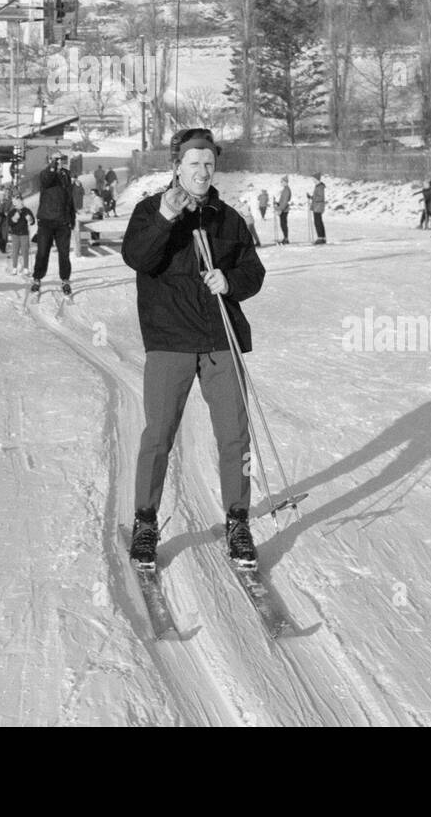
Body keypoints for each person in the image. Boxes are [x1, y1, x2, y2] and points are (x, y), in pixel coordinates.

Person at [122, 128, 266, 571]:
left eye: (209, 164)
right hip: (170, 340)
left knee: (235, 436)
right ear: (177, 167)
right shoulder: (150, 210)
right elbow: (138, 258)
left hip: (220, 338)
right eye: (194, 164)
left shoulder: (228, 217)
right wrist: (165, 217)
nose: (203, 172)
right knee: (159, 435)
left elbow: (253, 272)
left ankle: (238, 521)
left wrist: (231, 281)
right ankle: (146, 522)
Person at [31, 151, 76, 294]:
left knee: (64, 254)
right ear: (50, 160)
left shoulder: (66, 175)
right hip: (46, 221)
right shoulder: (45, 174)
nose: (59, 162)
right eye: (56, 159)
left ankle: (65, 280)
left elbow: (69, 198)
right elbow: (46, 180)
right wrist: (53, 166)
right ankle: (37, 279)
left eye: (60, 159)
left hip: (63, 222)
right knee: (42, 252)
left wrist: (72, 218)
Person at [7, 191, 34, 274]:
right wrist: (14, 218)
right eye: (15, 201)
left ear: (21, 201)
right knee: (15, 251)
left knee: (25, 251)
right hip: (15, 234)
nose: (17, 202)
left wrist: (30, 219)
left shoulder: (27, 210)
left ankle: (26, 268)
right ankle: (14, 267)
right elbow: (9, 223)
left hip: (24, 234)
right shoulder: (12, 212)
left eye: (18, 200)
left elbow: (32, 222)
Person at [309, 175, 327, 245]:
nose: (313, 181)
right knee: (318, 222)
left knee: (318, 222)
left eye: (313, 179)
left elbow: (320, 197)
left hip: (318, 206)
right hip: (317, 206)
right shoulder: (318, 186)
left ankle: (320, 238)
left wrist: (313, 198)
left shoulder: (320, 187)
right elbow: (317, 196)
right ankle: (322, 237)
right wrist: (311, 197)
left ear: (317, 179)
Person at [277, 176, 292, 244]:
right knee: (282, 224)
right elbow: (282, 200)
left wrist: (281, 209)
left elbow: (285, 201)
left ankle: (286, 238)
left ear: (285, 182)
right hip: (283, 209)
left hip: (284, 210)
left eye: (282, 181)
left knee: (283, 224)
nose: (281, 183)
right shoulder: (285, 189)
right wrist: (278, 203)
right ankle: (285, 238)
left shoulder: (286, 190)